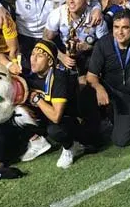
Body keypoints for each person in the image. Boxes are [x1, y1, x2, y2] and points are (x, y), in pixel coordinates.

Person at [86, 10, 130, 147]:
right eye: (116, 27)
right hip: (114, 93)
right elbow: (91, 76)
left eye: (125, 27)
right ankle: (103, 121)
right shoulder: (103, 44)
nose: (120, 32)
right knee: (85, 91)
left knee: (121, 141)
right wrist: (98, 88)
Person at [23, 39, 85, 169]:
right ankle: (37, 141)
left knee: (55, 129)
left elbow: (56, 116)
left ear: (50, 61)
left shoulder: (59, 78)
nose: (33, 59)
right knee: (17, 113)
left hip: (71, 120)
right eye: (33, 54)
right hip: (47, 117)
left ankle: (71, 147)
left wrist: (37, 100)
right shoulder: (30, 74)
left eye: (39, 56)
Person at [44, 0, 108, 77]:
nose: (71, 1)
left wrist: (89, 46)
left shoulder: (96, 18)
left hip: (89, 59)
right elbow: (46, 38)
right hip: (64, 56)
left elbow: (106, 46)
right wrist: (61, 56)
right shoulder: (57, 14)